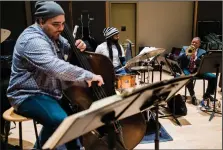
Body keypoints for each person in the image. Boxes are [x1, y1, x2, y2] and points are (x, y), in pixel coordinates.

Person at [6, 1, 104, 150]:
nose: (61, 28)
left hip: (50, 93)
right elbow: (55, 67)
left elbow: (67, 49)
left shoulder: (52, 35)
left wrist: (78, 45)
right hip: (27, 94)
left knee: (75, 119)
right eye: (56, 24)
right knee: (60, 120)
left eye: (63, 24)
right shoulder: (32, 40)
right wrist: (87, 75)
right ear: (40, 21)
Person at [178, 37, 218, 107]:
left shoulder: (203, 52)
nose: (193, 43)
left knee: (213, 77)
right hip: (186, 69)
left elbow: (204, 63)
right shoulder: (185, 48)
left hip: (198, 70)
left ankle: (207, 95)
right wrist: (187, 54)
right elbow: (179, 58)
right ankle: (192, 95)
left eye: (195, 43)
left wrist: (195, 58)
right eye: (192, 42)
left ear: (199, 44)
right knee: (188, 77)